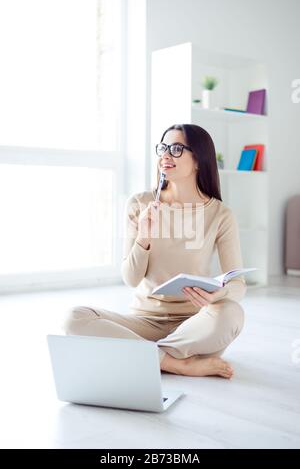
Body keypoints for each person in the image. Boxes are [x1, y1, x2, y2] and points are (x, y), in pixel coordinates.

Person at [63, 123, 246, 379]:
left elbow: (238, 283)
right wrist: (144, 238)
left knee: (232, 313)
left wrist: (217, 295)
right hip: (144, 322)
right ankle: (176, 363)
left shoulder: (220, 214)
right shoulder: (141, 204)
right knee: (75, 318)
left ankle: (145, 355)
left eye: (176, 148)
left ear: (198, 160)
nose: (165, 155)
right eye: (163, 148)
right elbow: (131, 278)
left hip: (194, 324)